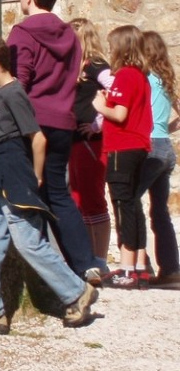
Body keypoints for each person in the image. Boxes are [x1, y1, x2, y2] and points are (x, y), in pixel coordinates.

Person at [0, 35, 97, 337]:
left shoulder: (14, 94)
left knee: (29, 243)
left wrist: (35, 176)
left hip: (13, 179)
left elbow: (38, 138)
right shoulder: (1, 94)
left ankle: (76, 292)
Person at [7, 0, 100, 283]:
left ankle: (42, 270)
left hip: (32, 122)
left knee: (25, 192)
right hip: (63, 121)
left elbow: (18, 81)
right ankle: (85, 263)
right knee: (58, 191)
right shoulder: (71, 35)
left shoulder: (22, 33)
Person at [93, 25, 152, 289]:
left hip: (122, 147)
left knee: (122, 205)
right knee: (133, 204)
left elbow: (119, 114)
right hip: (138, 145)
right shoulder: (140, 75)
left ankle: (127, 269)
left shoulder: (126, 75)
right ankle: (138, 267)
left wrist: (100, 105)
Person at [67, 18, 114, 260]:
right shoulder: (77, 68)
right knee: (78, 198)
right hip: (74, 140)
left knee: (93, 198)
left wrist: (98, 123)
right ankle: (87, 258)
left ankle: (100, 258)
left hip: (91, 142)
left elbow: (116, 90)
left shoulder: (96, 66)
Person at [139, 30, 180, 285]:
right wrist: (166, 127)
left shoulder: (144, 78)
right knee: (160, 210)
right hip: (165, 145)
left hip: (149, 145)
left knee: (130, 204)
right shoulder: (165, 80)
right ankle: (171, 268)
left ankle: (139, 266)